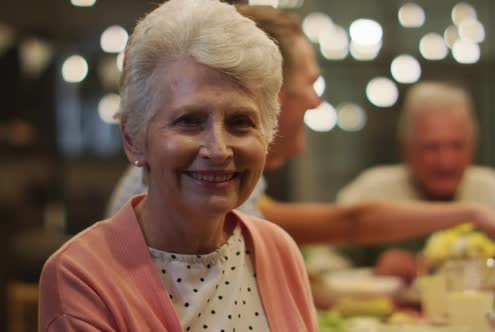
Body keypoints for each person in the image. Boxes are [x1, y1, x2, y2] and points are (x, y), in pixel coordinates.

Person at [105, 6, 495, 269]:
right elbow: (348, 223)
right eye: (311, 84)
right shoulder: (200, 179)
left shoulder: (235, 186)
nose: (317, 103)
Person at [38, 1, 317, 331]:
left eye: (241, 122)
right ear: (133, 138)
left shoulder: (277, 249)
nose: (218, 149)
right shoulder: (81, 276)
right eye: (189, 121)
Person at [337, 81, 495, 278]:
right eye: (432, 148)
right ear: (406, 149)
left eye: (457, 146)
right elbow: (323, 268)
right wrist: (373, 272)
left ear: (473, 146)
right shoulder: (371, 193)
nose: (446, 162)